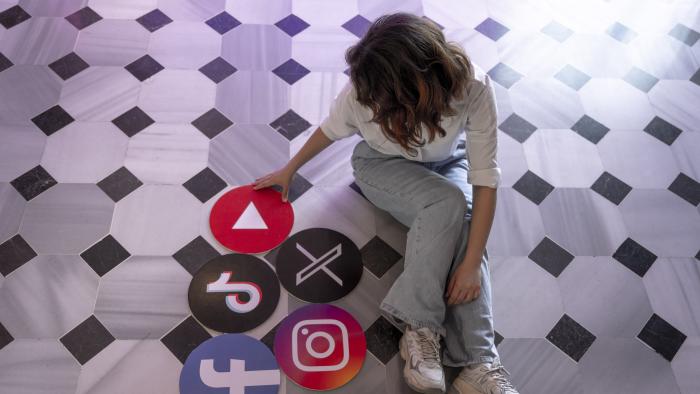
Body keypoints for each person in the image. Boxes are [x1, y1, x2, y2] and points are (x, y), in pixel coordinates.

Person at [253, 12, 519, 394]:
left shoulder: (473, 87)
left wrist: (472, 265)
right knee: (449, 202)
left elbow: (485, 178)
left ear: (419, 86)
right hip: (381, 165)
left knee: (463, 216)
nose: (370, 98)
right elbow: (329, 131)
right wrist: (290, 169)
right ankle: (421, 327)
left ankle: (479, 364)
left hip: (449, 161)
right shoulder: (362, 92)